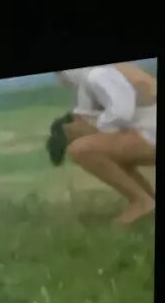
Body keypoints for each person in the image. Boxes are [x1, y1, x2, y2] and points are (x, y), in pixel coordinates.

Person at [55, 64, 157, 225]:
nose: (59, 81)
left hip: (151, 133)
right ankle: (148, 202)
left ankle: (142, 202)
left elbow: (121, 111)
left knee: (80, 149)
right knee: (100, 149)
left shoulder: (96, 75)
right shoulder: (99, 72)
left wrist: (99, 128)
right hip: (148, 130)